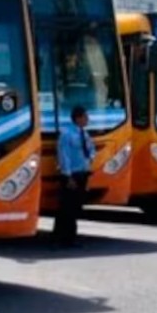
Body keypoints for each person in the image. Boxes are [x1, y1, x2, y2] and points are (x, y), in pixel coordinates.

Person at [53, 105, 95, 247]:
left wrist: (90, 158)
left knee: (75, 207)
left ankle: (64, 236)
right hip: (71, 175)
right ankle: (66, 238)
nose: (87, 119)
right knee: (67, 208)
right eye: (85, 117)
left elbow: (90, 148)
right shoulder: (67, 134)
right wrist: (68, 176)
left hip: (82, 173)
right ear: (78, 118)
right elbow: (64, 156)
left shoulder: (84, 133)